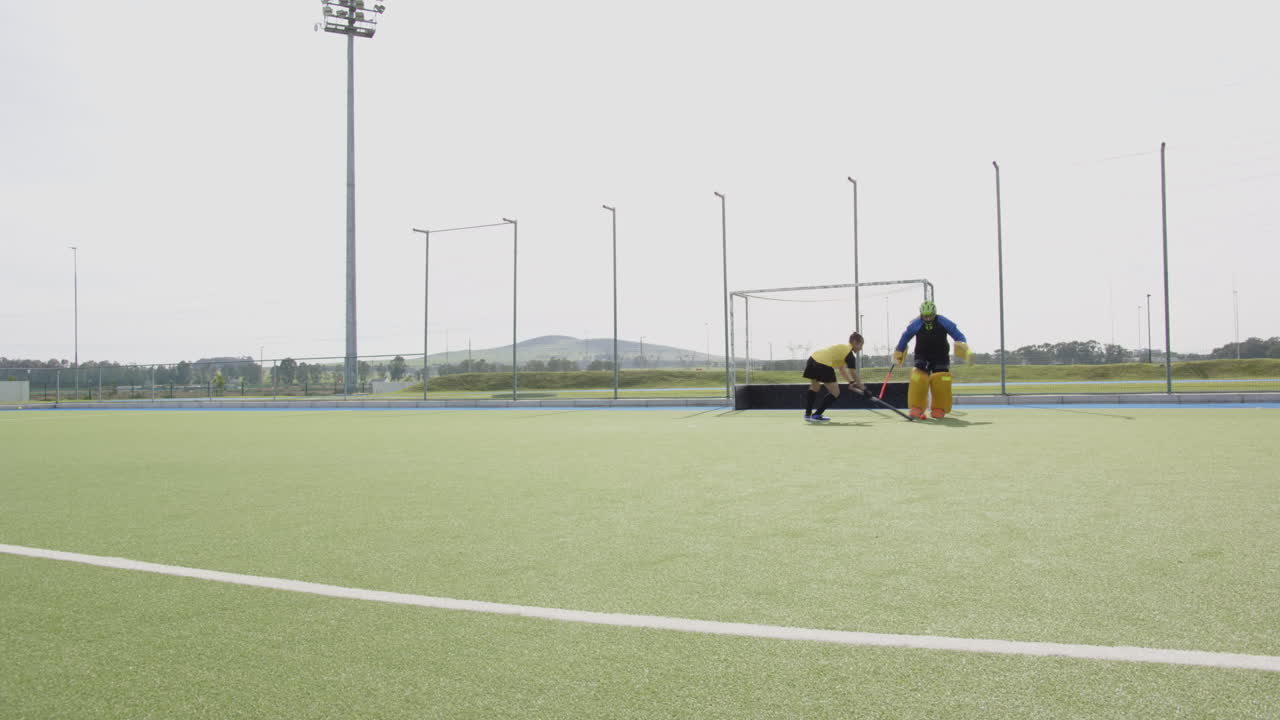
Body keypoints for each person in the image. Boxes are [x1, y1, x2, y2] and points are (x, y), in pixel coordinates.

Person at [892, 300, 971, 420]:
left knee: (941, 379)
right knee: (918, 378)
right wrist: (899, 351)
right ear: (921, 314)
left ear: (935, 313)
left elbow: (956, 333)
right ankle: (916, 408)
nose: (928, 318)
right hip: (922, 355)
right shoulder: (916, 324)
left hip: (940, 356)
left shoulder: (943, 321)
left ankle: (939, 408)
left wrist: (962, 344)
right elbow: (905, 336)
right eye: (925, 315)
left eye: (930, 315)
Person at [803, 332, 866, 422]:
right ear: (855, 342)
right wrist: (865, 389)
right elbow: (854, 373)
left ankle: (807, 414)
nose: (861, 348)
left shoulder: (843, 350)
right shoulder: (849, 354)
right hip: (823, 363)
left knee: (815, 387)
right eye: (861, 345)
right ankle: (817, 414)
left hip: (813, 359)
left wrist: (851, 382)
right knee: (835, 392)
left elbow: (842, 369)